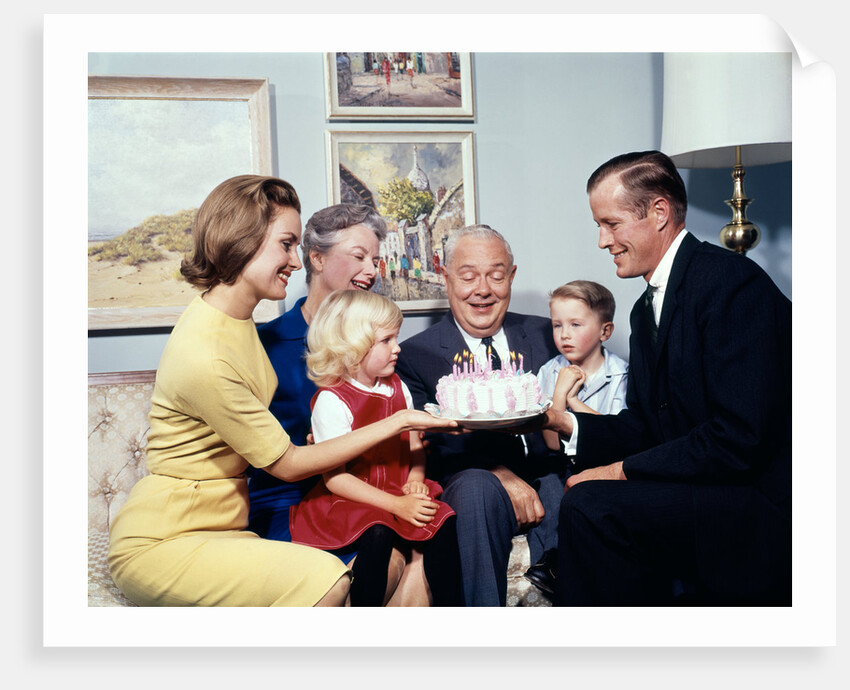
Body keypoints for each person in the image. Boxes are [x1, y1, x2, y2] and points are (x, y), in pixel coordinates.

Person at [107, 175, 457, 607]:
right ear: (242, 241)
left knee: (398, 558)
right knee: (330, 580)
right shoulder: (207, 354)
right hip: (167, 538)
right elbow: (288, 465)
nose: (296, 260)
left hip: (224, 526)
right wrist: (398, 422)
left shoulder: (235, 320)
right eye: (286, 244)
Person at [543, 151, 791, 605]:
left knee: (589, 506)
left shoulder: (732, 283)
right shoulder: (644, 309)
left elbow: (738, 439)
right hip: (703, 488)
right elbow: (646, 424)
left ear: (658, 212)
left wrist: (618, 471)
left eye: (611, 224)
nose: (602, 241)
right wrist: (569, 424)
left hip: (756, 503)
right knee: (583, 496)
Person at [395, 224, 561, 606]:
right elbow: (428, 445)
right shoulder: (415, 355)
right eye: (468, 276)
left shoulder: (547, 334)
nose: (482, 290)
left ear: (512, 276)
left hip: (546, 472)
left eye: (496, 276)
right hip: (471, 480)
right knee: (476, 488)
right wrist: (500, 474)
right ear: (446, 277)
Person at [289, 289, 463, 606]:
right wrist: (396, 505)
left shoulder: (398, 386)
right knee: (378, 530)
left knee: (444, 520)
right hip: (352, 497)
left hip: (398, 488)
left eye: (396, 338)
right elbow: (335, 479)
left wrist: (415, 480)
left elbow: (414, 445)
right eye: (386, 340)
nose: (397, 347)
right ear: (352, 346)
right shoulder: (332, 400)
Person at [248, 203, 387, 545]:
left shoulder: (383, 346)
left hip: (369, 496)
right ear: (317, 258)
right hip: (287, 502)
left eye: (375, 260)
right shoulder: (264, 344)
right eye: (359, 256)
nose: (371, 271)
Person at [524, 279, 629, 597]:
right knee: (549, 488)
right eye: (557, 325)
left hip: (604, 465)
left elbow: (614, 434)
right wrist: (559, 390)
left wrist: (571, 400)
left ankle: (571, 564)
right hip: (560, 463)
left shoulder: (621, 374)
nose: (564, 334)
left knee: (590, 494)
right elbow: (551, 442)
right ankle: (552, 559)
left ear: (605, 331)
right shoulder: (550, 371)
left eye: (575, 324)